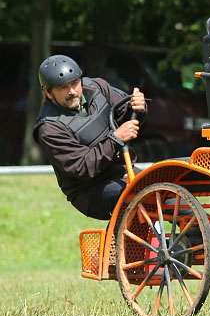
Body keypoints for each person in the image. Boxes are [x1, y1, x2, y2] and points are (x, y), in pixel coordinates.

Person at [33, 55, 146, 221]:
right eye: (63, 88)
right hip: (91, 191)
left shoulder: (97, 87)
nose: (72, 91)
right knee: (144, 193)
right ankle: (132, 244)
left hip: (122, 172)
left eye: (74, 83)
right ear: (48, 92)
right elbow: (83, 167)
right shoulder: (49, 129)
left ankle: (194, 241)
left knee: (173, 193)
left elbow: (127, 116)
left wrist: (139, 108)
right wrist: (116, 139)